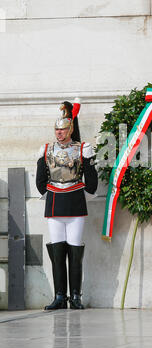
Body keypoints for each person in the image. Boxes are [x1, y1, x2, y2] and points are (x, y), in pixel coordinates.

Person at [36, 99, 98, 310]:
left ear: (70, 129)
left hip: (75, 202)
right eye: (56, 129)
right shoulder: (46, 149)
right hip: (55, 203)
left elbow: (91, 180)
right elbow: (40, 180)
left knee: (75, 250)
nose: (59, 133)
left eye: (62, 129)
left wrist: (81, 196)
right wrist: (51, 193)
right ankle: (60, 296)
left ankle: (76, 296)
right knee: (57, 250)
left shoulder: (83, 149)